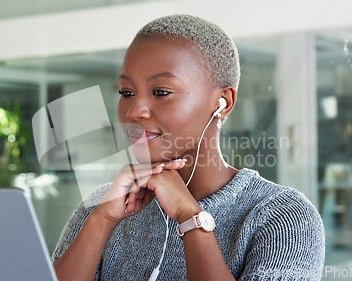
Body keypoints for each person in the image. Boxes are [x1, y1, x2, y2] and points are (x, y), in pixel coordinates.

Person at [52, 14, 325, 281]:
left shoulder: (283, 216)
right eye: (127, 93)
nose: (135, 111)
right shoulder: (102, 205)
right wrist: (102, 220)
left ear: (223, 102)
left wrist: (191, 217)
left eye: (160, 92)